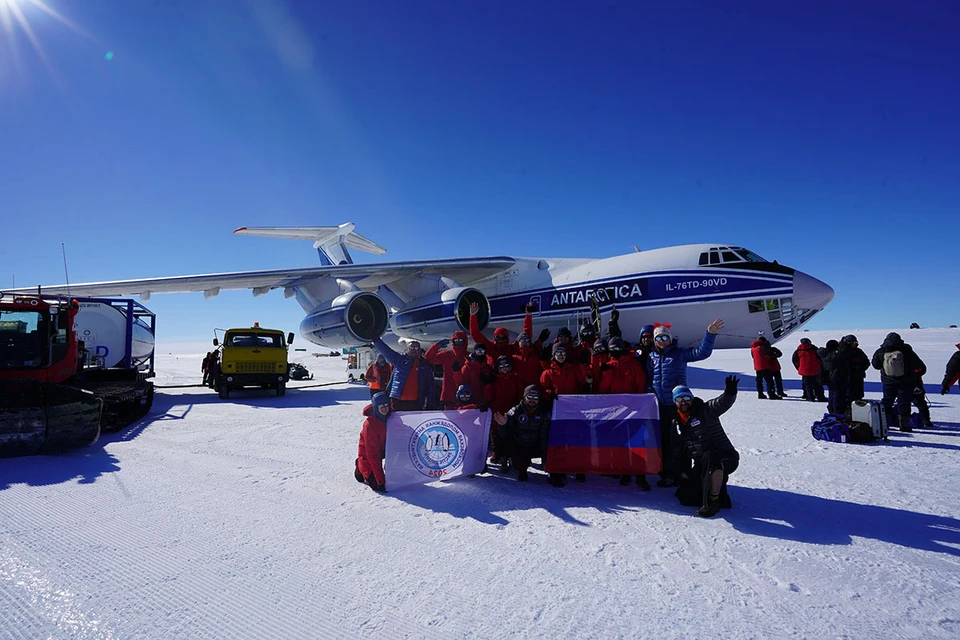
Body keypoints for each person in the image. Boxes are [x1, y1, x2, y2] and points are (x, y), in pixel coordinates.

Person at [646, 318, 724, 487]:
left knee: (681, 442)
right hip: (659, 407)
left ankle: (681, 474)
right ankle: (666, 472)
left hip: (679, 406)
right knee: (664, 441)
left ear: (670, 338)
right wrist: (649, 393)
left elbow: (702, 353)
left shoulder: (679, 354)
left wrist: (710, 335)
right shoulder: (651, 357)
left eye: (664, 337)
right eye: (658, 338)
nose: (661, 341)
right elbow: (649, 379)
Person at [669, 377, 740, 518]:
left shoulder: (705, 410)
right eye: (679, 399)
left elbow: (722, 403)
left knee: (711, 457)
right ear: (675, 402)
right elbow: (678, 449)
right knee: (685, 497)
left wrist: (730, 392)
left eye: (686, 397)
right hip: (702, 462)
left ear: (692, 398)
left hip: (725, 458)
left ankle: (712, 502)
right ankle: (720, 495)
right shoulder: (677, 422)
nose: (683, 401)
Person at [493, 385, 563, 485]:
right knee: (503, 443)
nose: (532, 400)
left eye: (535, 398)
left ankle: (554, 473)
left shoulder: (544, 413)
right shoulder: (515, 411)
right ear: (524, 397)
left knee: (551, 448)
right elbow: (505, 435)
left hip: (537, 444)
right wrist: (503, 425)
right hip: (521, 444)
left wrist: (545, 461)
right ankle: (520, 469)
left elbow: (544, 437)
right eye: (529, 397)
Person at [871, 332, 926, 432]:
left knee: (887, 401)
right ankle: (904, 425)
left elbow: (876, 365)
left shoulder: (881, 351)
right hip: (906, 381)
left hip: (888, 381)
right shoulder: (907, 351)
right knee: (904, 402)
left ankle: (884, 424)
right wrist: (914, 375)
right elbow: (921, 367)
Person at [373, 337, 436, 411]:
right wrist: (376, 340)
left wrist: (430, 403)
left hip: (415, 403)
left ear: (419, 350)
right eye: (411, 347)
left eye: (416, 348)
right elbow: (387, 351)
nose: (414, 350)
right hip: (397, 401)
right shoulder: (399, 360)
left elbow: (430, 386)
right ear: (407, 349)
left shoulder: (424, 366)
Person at [354, 392, 391, 493]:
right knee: (376, 485)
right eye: (381, 406)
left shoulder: (391, 417)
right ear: (375, 407)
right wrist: (381, 481)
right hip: (369, 453)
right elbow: (373, 455)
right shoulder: (370, 425)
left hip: (384, 448)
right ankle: (360, 465)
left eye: (386, 405)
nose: (384, 408)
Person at [424, 331, 469, 408]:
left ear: (465, 342)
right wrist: (436, 346)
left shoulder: (468, 357)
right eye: (456, 340)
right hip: (448, 395)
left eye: (460, 341)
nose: (458, 343)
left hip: (465, 396)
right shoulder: (446, 355)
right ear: (453, 342)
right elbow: (428, 358)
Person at [842, 335, 871, 402]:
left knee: (858, 394)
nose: (856, 344)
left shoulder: (859, 351)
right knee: (848, 394)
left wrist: (861, 368)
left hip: (858, 376)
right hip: (848, 377)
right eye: (854, 343)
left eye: (856, 342)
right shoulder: (843, 352)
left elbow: (866, 362)